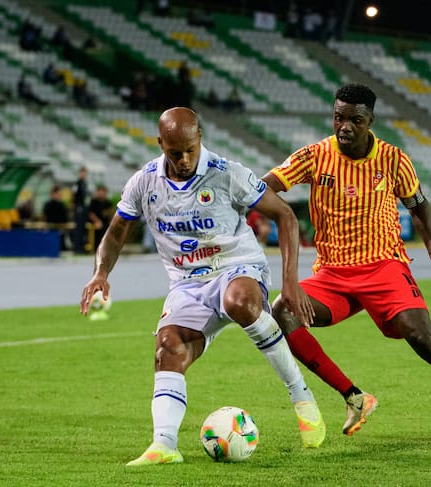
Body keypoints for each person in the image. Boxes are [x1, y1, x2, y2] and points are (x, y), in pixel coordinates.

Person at [261, 83, 431, 447]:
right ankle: (354, 397)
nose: (344, 126)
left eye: (355, 120)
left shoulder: (393, 160)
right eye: (338, 117)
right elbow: (262, 187)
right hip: (333, 274)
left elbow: (418, 204)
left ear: (370, 121)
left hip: (384, 266)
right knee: (282, 310)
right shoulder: (314, 156)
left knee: (424, 338)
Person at [80, 107, 325, 466]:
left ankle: (301, 397)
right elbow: (116, 232)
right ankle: (164, 445)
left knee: (240, 301)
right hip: (187, 283)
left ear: (200, 138)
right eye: (174, 152)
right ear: (160, 143)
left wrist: (290, 282)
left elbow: (285, 216)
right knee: (168, 348)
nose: (183, 160)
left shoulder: (227, 174)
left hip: (237, 267)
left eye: (189, 150)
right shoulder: (144, 182)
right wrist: (101, 273)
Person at [43, 185, 70, 250]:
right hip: (51, 231)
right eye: (58, 194)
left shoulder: (62, 205)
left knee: (61, 247)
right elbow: (46, 216)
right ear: (53, 194)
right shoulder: (48, 205)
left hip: (60, 230)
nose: (60, 196)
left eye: (60, 194)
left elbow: (65, 218)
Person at [87, 184, 114, 251]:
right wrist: (97, 221)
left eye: (103, 192)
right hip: (95, 222)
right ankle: (95, 248)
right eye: (100, 191)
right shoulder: (93, 202)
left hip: (106, 223)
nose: (101, 193)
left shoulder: (108, 203)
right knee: (98, 228)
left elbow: (111, 215)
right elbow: (90, 214)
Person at [72, 166, 89, 254]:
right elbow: (73, 195)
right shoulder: (77, 183)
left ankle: (82, 247)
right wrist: (76, 206)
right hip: (79, 208)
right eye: (82, 173)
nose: (83, 175)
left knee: (83, 228)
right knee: (78, 228)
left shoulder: (85, 184)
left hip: (84, 208)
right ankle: (77, 248)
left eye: (85, 173)